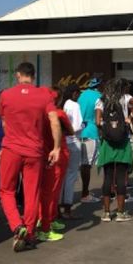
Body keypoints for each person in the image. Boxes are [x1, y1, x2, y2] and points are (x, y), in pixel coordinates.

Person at [0, 62, 61, 252]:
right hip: (34, 151)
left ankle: (17, 225)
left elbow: (4, 121)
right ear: (33, 76)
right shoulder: (44, 95)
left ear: (18, 75)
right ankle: (29, 232)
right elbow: (54, 120)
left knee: (6, 190)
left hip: (12, 148)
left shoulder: (6, 95)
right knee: (31, 193)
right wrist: (56, 147)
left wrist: (5, 143)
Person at [95, 78, 133, 222]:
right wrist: (130, 116)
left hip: (107, 143)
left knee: (108, 177)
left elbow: (97, 122)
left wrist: (106, 130)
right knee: (121, 178)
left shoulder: (101, 100)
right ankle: (121, 213)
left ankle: (106, 213)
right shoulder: (125, 98)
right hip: (123, 141)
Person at [38, 87, 73, 242]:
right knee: (53, 189)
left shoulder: (37, 114)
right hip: (59, 153)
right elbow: (71, 131)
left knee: (41, 189)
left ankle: (43, 217)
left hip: (41, 153)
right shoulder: (59, 114)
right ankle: (48, 220)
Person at [59, 85, 83, 220]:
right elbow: (78, 126)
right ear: (74, 93)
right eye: (78, 94)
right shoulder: (74, 105)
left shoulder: (62, 105)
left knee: (61, 175)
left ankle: (58, 208)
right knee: (71, 175)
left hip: (62, 142)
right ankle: (67, 207)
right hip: (73, 141)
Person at [78, 78, 103, 203]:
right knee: (86, 165)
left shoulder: (81, 95)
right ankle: (85, 194)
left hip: (78, 132)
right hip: (92, 132)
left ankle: (84, 192)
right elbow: (100, 117)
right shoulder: (99, 96)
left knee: (80, 165)